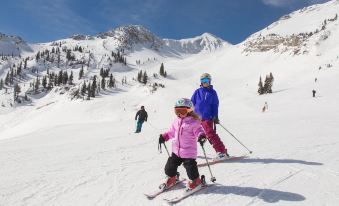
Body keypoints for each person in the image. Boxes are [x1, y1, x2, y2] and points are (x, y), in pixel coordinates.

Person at [158, 98, 207, 190]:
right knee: (169, 167)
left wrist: (201, 136)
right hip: (176, 151)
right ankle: (172, 178)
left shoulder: (193, 122)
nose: (179, 114)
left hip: (188, 152)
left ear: (189, 110)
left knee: (191, 169)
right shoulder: (176, 121)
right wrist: (164, 137)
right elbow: (171, 132)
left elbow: (199, 130)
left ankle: (196, 181)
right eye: (177, 111)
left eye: (182, 111)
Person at [191, 73, 229, 160]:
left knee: (210, 134)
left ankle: (222, 152)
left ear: (209, 81)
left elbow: (215, 105)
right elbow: (191, 103)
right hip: (196, 118)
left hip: (207, 118)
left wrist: (215, 116)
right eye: (203, 81)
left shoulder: (212, 93)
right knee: (191, 134)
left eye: (206, 81)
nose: (205, 82)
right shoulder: (197, 92)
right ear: (201, 82)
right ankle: (189, 153)